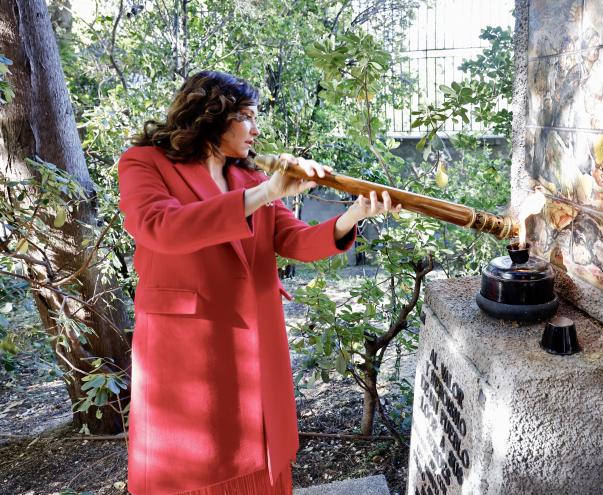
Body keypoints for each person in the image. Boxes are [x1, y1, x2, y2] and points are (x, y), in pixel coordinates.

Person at [118, 71, 401, 494]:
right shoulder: (145, 163)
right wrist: (268, 193)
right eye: (247, 117)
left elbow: (295, 242)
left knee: (260, 453)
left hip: (254, 335)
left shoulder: (249, 178)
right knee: (194, 465)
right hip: (186, 344)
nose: (256, 129)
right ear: (212, 115)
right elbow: (160, 227)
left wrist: (353, 215)